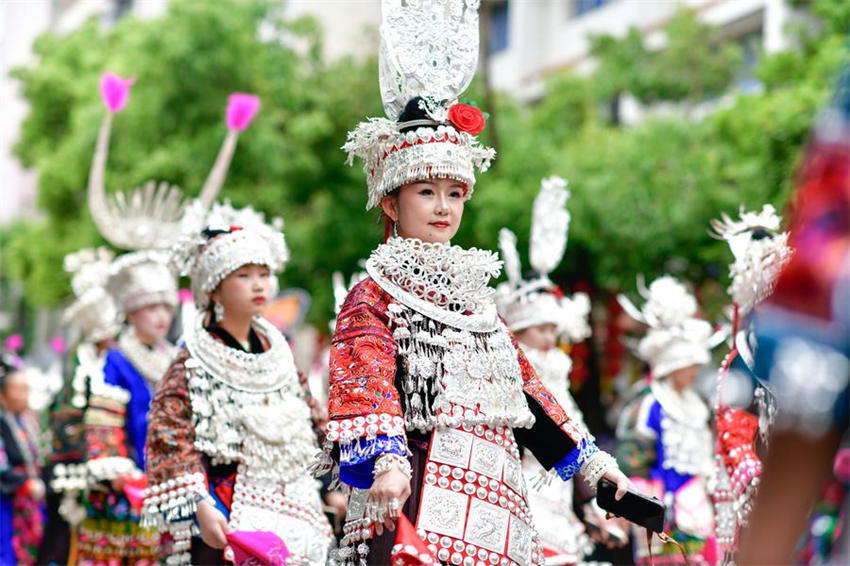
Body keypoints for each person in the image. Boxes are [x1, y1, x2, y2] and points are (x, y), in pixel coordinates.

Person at [319, 3, 631, 564]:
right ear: (391, 200)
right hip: (412, 495)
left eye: (455, 193)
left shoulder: (477, 301)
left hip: (494, 499)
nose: (443, 207)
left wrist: (596, 468)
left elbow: (527, 395)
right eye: (426, 191)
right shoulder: (374, 295)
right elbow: (364, 384)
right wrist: (388, 461)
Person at [143, 201, 333, 565]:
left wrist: (335, 479)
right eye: (243, 276)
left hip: (296, 504)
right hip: (224, 507)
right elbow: (170, 436)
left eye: (263, 274)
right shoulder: (192, 359)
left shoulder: (278, 351)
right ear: (213, 288)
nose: (258, 285)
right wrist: (199, 503)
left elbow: (313, 421)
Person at [495, 176, 626, 564]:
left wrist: (595, 484)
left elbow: (573, 431)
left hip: (562, 484)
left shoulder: (558, 373)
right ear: (517, 330)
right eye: (540, 329)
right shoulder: (509, 371)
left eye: (554, 328)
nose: (550, 338)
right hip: (520, 486)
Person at [616, 276, 719, 564]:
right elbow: (632, 461)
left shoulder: (697, 404)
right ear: (672, 366)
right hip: (664, 511)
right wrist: (650, 508)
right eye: (689, 367)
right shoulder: (649, 403)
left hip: (699, 507)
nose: (694, 373)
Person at [0, 354, 45, 565]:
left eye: (26, 389)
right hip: (7, 502)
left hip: (30, 504)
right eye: (17, 390)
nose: (23, 395)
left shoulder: (28, 423)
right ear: (2, 395)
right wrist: (26, 484)